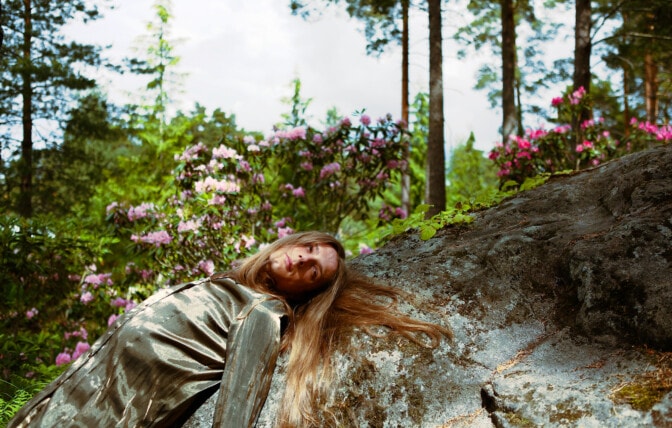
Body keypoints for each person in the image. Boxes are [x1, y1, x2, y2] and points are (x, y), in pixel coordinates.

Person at [9, 231, 451, 428]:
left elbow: (238, 406)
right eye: (310, 247)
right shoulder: (227, 285)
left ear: (306, 293)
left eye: (313, 270)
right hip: (67, 398)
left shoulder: (262, 313)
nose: (303, 259)